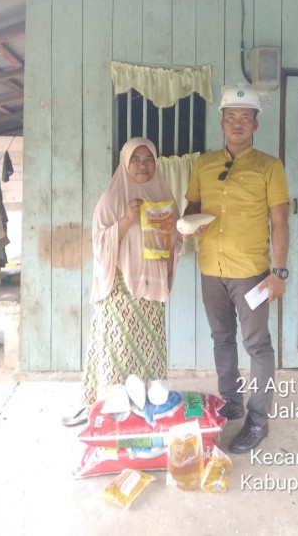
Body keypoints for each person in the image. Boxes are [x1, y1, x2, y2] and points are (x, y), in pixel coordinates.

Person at [182, 85, 290, 453]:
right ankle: (231, 403)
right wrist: (189, 223)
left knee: (258, 346)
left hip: (251, 272)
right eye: (231, 117)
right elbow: (191, 207)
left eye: (245, 117)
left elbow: (280, 222)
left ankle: (259, 420)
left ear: (255, 124)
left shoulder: (269, 166)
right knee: (221, 338)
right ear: (222, 123)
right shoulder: (204, 164)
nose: (238, 124)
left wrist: (279, 272)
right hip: (210, 267)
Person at [81, 137, 183, 409]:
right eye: (135, 160)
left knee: (149, 351)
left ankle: (150, 406)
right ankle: (114, 408)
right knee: (118, 350)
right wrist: (126, 219)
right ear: (125, 163)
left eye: (148, 159)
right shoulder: (111, 200)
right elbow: (99, 244)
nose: (142, 165)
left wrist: (170, 240)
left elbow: (175, 241)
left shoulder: (163, 197)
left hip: (151, 290)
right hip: (119, 290)